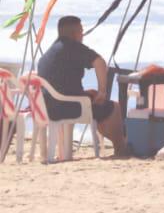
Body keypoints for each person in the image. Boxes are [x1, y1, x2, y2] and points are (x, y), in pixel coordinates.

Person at [36, 15, 128, 156]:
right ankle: (120, 148)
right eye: (81, 31)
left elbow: (60, 84)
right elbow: (99, 62)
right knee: (113, 107)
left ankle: (63, 152)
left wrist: (85, 94)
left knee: (94, 100)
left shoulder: (49, 53)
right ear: (75, 33)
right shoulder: (73, 47)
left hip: (46, 107)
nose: (82, 34)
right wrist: (102, 91)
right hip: (66, 107)